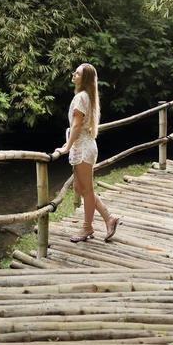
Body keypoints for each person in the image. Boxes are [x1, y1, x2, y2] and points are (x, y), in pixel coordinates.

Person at [52, 63, 120, 242]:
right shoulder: (86, 96)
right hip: (82, 146)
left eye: (78, 73)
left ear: (85, 79)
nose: (74, 74)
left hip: (83, 147)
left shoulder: (82, 97)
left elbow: (76, 125)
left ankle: (87, 228)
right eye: (75, 72)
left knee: (87, 190)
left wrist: (66, 146)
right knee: (79, 188)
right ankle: (108, 218)